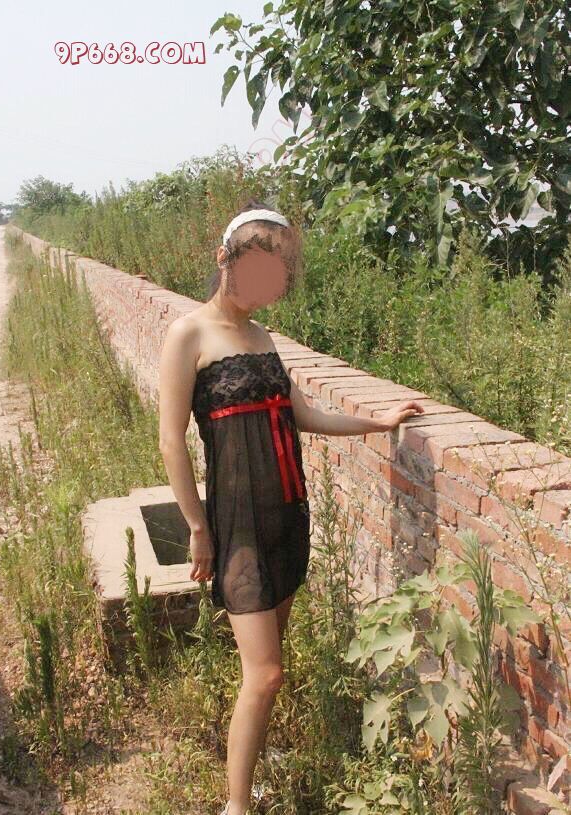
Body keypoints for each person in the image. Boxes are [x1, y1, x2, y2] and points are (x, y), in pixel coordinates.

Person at [158, 199, 425, 815]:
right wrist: (197, 526)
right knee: (267, 673)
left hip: (287, 512)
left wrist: (379, 421)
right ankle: (236, 806)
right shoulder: (188, 334)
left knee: (268, 664)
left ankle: (251, 762)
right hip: (238, 524)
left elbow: (303, 415)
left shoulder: (262, 337)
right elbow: (170, 438)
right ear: (225, 259)